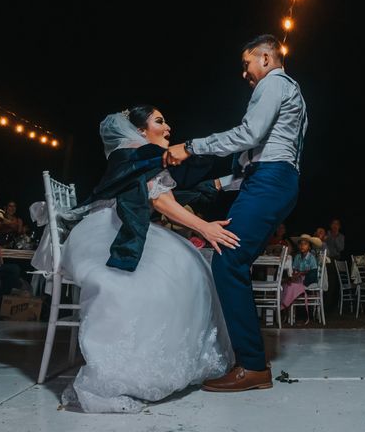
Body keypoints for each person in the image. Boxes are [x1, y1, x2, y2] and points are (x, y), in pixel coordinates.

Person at [56, 107, 238, 413]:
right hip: (105, 229)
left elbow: (168, 200)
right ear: (140, 131)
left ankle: (169, 361)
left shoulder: (141, 154)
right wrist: (205, 228)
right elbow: (160, 201)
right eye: (159, 121)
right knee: (144, 281)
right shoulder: (136, 153)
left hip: (126, 223)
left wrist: (208, 215)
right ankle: (120, 372)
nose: (168, 127)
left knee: (190, 267)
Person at [164, 34, 307, 392]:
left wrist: (191, 148)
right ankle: (251, 359)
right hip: (272, 180)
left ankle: (253, 366)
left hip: (271, 180)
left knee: (227, 261)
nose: (244, 73)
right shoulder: (291, 91)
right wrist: (218, 184)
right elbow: (264, 153)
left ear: (264, 57)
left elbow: (249, 134)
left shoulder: (274, 83)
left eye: (246, 64)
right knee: (231, 260)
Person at [280, 234, 322, 312]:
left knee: (291, 286)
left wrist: (300, 273)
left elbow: (313, 271)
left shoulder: (311, 257)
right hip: (298, 278)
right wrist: (293, 275)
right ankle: (283, 305)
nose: (302, 246)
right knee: (285, 284)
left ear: (309, 247)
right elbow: (294, 269)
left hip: (307, 279)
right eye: (301, 244)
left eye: (305, 244)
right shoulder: (297, 257)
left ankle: (284, 305)